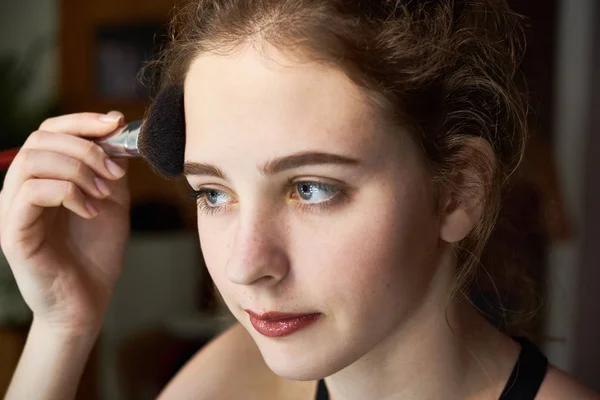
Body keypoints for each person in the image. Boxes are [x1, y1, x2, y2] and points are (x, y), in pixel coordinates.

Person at [2, 0, 599, 399]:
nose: (245, 264)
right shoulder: (231, 384)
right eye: (214, 192)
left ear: (457, 191)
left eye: (311, 188)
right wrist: (63, 323)